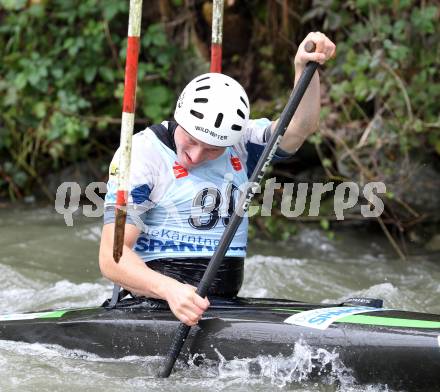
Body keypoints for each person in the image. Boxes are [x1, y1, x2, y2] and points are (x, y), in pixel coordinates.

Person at [99, 32, 336, 327]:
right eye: (191, 140)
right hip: (154, 305)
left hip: (223, 303)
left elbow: (299, 129)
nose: (196, 155)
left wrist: (304, 68)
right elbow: (113, 256)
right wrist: (170, 290)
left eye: (212, 149)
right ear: (179, 119)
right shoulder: (142, 155)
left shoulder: (240, 142)